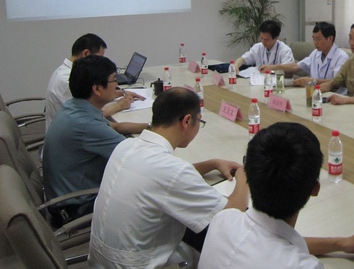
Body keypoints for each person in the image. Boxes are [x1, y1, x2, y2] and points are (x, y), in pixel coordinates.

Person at [88, 87, 249, 268]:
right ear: (187, 121)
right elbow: (231, 214)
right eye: (199, 121)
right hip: (137, 263)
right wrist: (244, 176)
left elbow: (168, 179)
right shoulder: (172, 171)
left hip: (102, 260)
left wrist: (212, 163)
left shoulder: (127, 145)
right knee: (222, 242)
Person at [198, 122, 354, 269]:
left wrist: (340, 243)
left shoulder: (222, 220)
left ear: (247, 175)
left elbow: (271, 240)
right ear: (315, 189)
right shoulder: (303, 266)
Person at [43, 55, 148, 224]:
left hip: (65, 195)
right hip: (78, 208)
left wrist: (151, 126)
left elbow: (114, 127)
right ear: (97, 89)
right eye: (114, 80)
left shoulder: (74, 106)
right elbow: (138, 158)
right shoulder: (85, 124)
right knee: (151, 191)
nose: (118, 86)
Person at [45, 33, 144, 130]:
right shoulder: (68, 80)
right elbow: (89, 114)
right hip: (71, 133)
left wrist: (120, 93)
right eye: (99, 57)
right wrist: (120, 105)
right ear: (86, 54)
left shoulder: (66, 71)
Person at [259, 22, 349, 90]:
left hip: (334, 97)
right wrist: (272, 67)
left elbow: (337, 83)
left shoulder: (341, 57)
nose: (315, 43)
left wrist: (312, 81)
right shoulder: (316, 53)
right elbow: (296, 66)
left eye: (318, 39)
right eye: (313, 39)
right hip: (314, 93)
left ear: (330, 38)